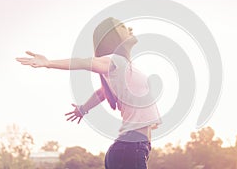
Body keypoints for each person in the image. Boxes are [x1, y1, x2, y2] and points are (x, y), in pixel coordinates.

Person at [16, 17, 162, 169]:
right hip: (130, 148)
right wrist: (49, 63)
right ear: (114, 36)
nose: (130, 29)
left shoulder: (123, 68)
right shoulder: (115, 60)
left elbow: (102, 93)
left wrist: (83, 108)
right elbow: (83, 62)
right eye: (123, 27)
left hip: (134, 148)